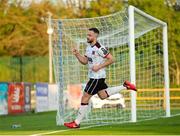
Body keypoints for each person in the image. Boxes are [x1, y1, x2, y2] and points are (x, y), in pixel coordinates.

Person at [64, 28, 137, 128]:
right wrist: (77, 54)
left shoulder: (100, 47)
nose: (87, 37)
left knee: (85, 97)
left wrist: (99, 66)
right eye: (87, 35)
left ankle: (76, 123)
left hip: (97, 77)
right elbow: (85, 61)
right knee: (102, 95)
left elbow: (112, 59)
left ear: (95, 36)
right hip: (94, 77)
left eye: (90, 35)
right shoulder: (88, 47)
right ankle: (125, 86)